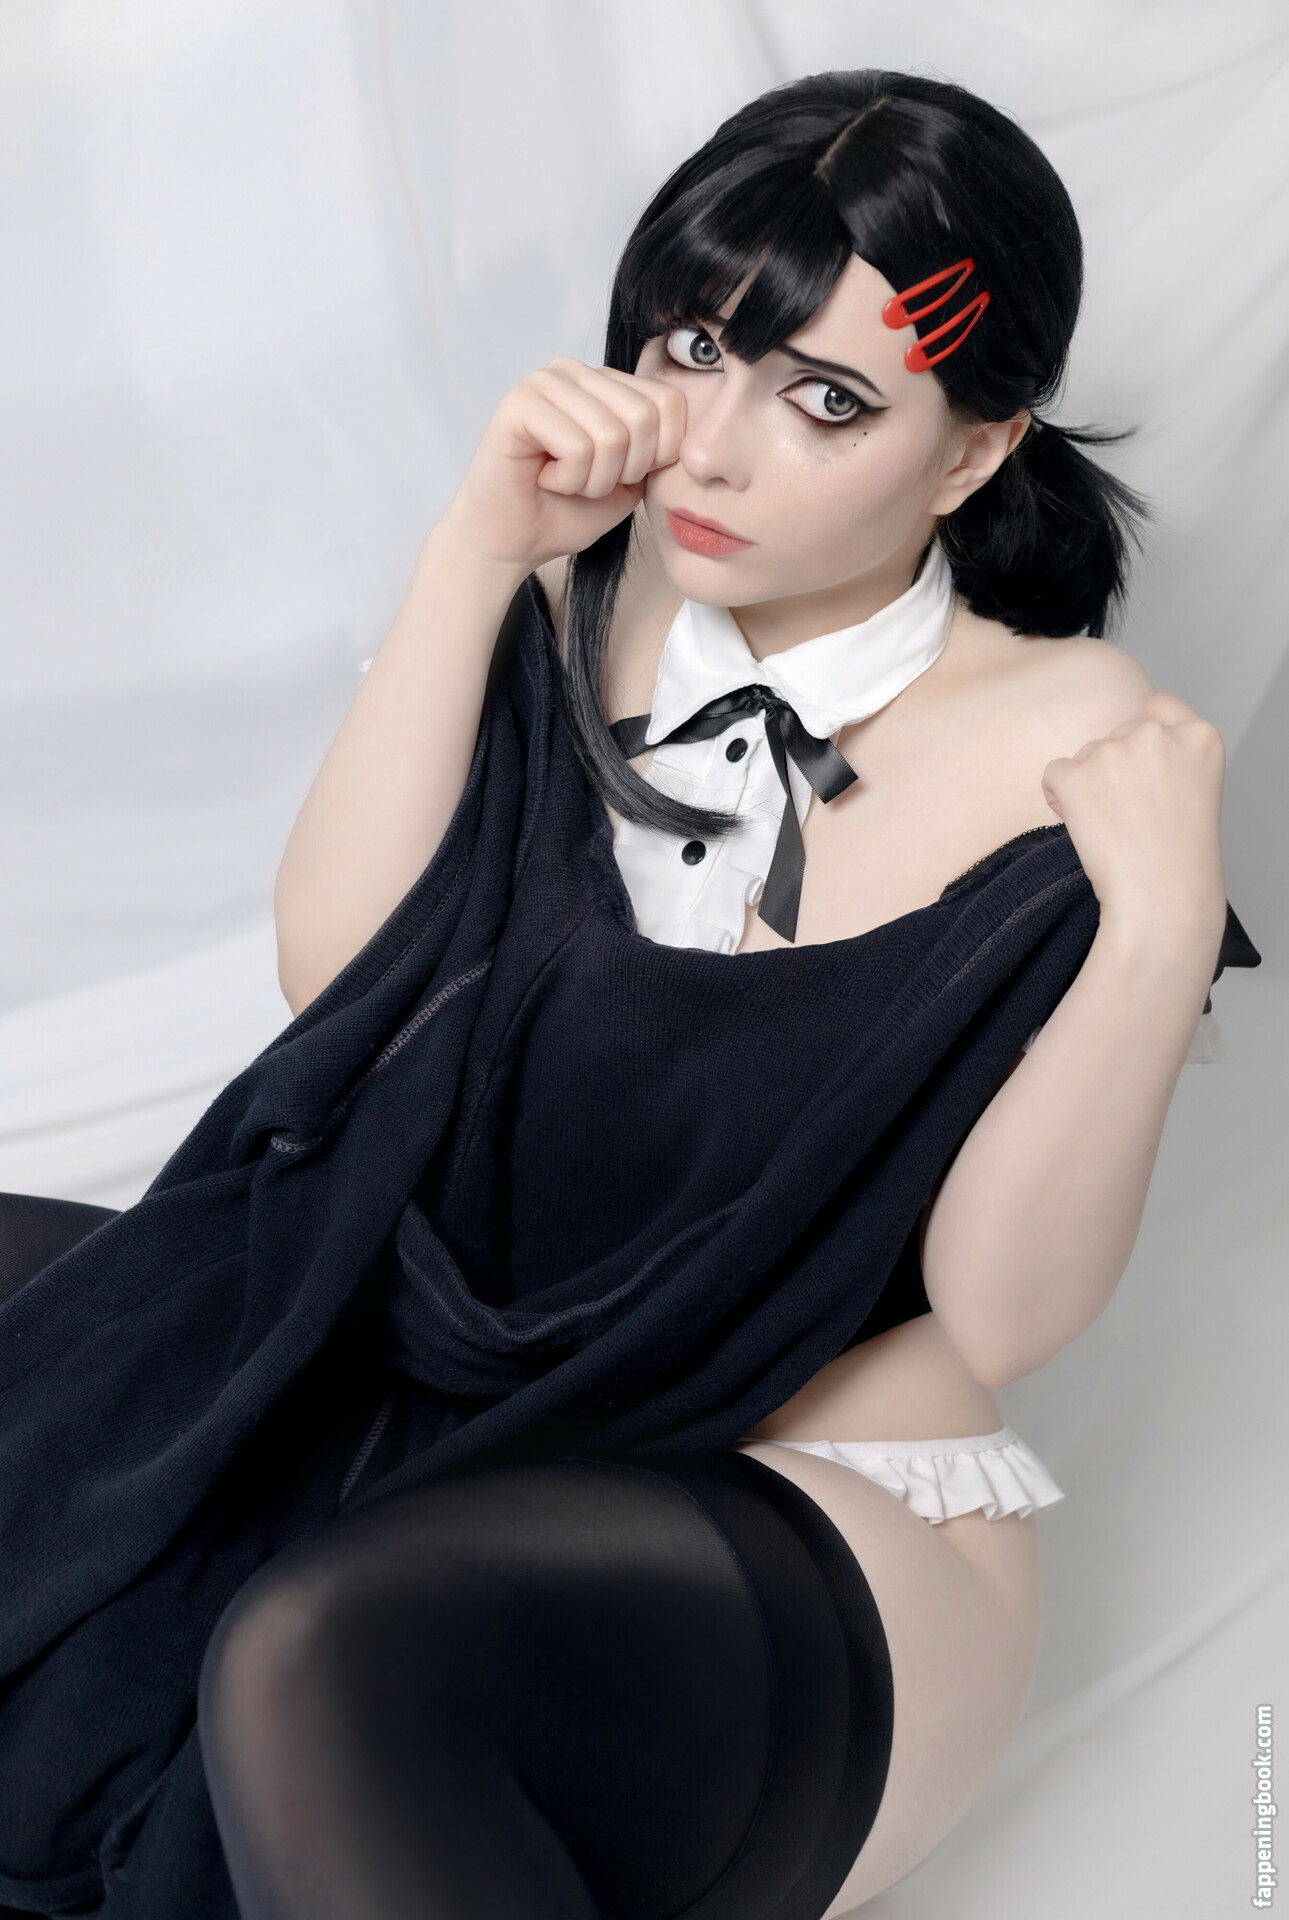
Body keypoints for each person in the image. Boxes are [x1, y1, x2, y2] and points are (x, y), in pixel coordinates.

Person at [0, 69, 1259, 1920]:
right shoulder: (584, 596)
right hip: (433, 1380)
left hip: (796, 1493)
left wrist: (1150, 935)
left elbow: (1001, 1314)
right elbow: (336, 981)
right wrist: (471, 557)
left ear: (972, 454)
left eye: (826, 400)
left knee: (326, 1645)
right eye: (694, 348)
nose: (710, 451)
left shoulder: (1075, 749)